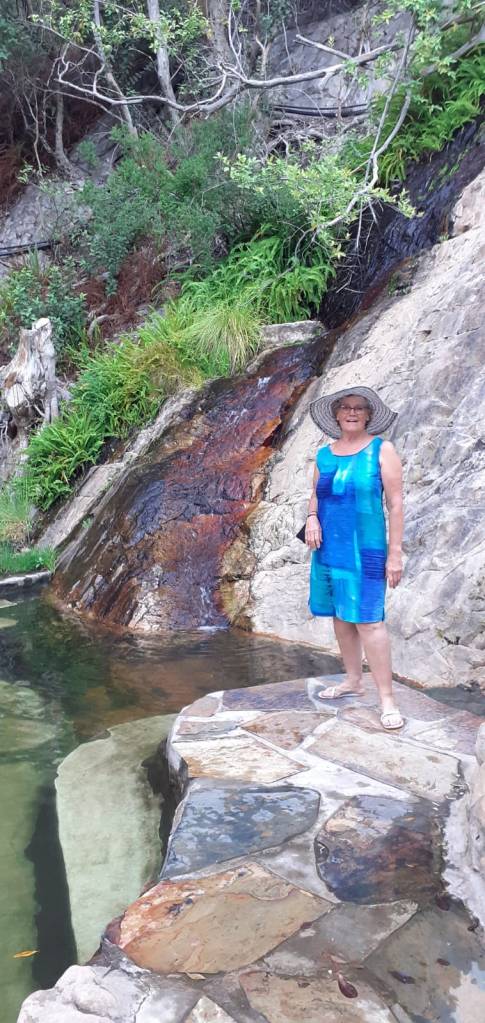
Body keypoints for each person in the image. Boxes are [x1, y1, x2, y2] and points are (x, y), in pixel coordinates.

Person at [306, 385, 404, 730]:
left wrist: (395, 554)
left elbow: (395, 504)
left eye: (359, 408)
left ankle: (387, 699)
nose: (352, 412)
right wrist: (311, 517)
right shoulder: (324, 455)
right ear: (336, 415)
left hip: (367, 550)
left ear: (368, 415)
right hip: (329, 547)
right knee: (340, 616)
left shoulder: (381, 450)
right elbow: (315, 495)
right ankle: (353, 680)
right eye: (346, 407)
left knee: (370, 621)